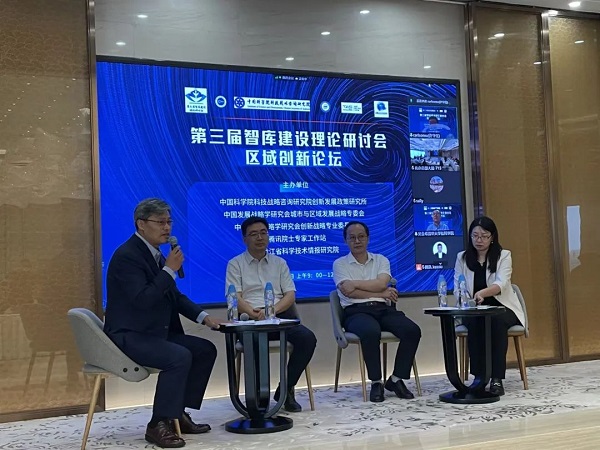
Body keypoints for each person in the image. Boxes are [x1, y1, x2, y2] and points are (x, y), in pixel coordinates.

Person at [104, 198, 222, 449]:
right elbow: (143, 300)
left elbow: (174, 297)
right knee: (178, 357)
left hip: (152, 332)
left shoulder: (155, 255)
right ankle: (158, 424)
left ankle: (177, 413)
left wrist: (204, 317)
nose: (167, 228)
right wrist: (168, 270)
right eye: (160, 222)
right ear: (141, 224)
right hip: (129, 334)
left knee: (204, 350)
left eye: (169, 222)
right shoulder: (127, 256)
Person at [225, 216, 317, 412]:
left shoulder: (279, 263)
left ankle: (286, 389)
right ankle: (259, 396)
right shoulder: (235, 264)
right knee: (255, 342)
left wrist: (272, 310)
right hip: (249, 318)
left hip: (278, 317)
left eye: (263, 233)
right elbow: (234, 296)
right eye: (254, 234)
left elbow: (290, 295)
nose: (260, 238)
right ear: (245, 239)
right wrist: (252, 312)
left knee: (307, 338)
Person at [332, 221, 421, 403]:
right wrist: (381, 293)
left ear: (368, 238)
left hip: (383, 309)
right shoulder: (340, 264)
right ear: (345, 240)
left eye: (361, 237)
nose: (357, 241)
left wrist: (356, 283)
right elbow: (349, 293)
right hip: (355, 312)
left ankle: (396, 379)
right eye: (352, 237)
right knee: (370, 331)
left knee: (412, 330)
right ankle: (376, 382)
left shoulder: (381, 260)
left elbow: (381, 283)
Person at [453, 216, 525, 396]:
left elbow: (502, 284)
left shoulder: (503, 256)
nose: (479, 240)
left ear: (492, 237)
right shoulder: (462, 258)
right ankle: (479, 377)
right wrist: (467, 299)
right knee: (476, 321)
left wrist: (482, 293)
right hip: (474, 308)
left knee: (495, 321)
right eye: (475, 236)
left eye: (484, 236)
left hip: (502, 307)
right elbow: (457, 287)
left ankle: (496, 378)